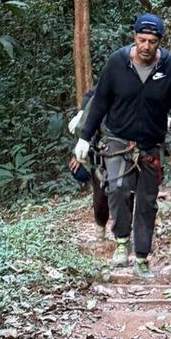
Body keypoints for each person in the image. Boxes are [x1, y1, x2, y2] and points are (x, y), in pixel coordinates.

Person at [75, 13, 171, 277]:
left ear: (160, 41)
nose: (146, 46)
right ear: (134, 38)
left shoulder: (170, 68)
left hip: (150, 143)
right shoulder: (118, 63)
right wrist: (85, 136)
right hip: (117, 140)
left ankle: (141, 257)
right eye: (142, 40)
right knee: (116, 188)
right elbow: (100, 100)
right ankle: (120, 242)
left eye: (152, 41)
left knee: (147, 202)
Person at [68, 92, 110, 241]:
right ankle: (100, 228)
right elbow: (85, 128)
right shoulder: (94, 97)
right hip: (99, 151)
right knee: (101, 196)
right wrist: (78, 154)